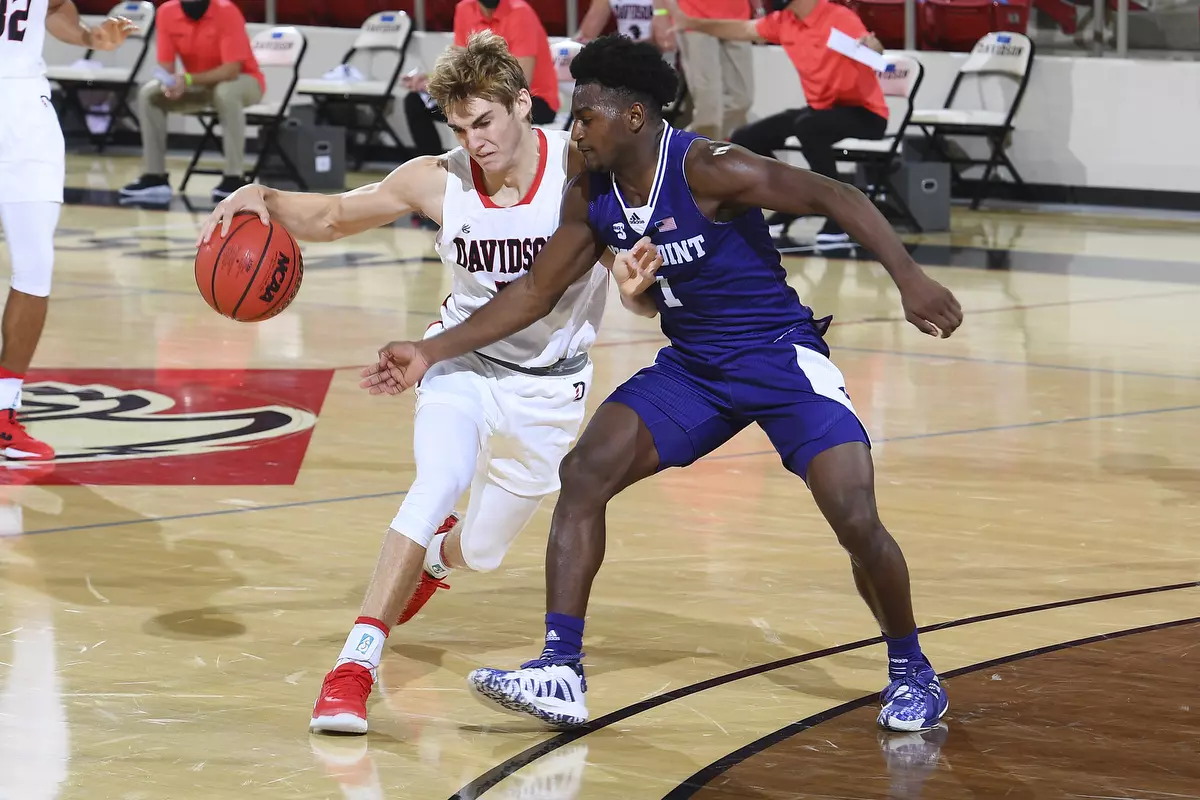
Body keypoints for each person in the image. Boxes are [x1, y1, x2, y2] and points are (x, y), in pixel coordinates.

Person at [359, 35, 964, 733]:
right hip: (695, 370)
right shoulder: (590, 193)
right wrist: (429, 351)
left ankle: (912, 669)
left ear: (635, 118)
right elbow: (532, 294)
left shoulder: (711, 167)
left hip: (775, 358)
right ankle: (560, 668)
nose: (574, 130)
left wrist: (909, 278)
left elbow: (840, 196)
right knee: (584, 474)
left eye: (586, 117)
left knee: (854, 515)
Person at [198, 31, 660, 736]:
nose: (474, 141)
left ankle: (435, 561)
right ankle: (353, 667)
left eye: (485, 122)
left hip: (551, 388)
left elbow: (632, 279)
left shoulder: (580, 162)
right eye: (459, 126)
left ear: (521, 107)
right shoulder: (434, 178)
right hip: (460, 364)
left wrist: (635, 290)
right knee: (436, 483)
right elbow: (333, 214)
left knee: (481, 550)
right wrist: (261, 194)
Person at [0, 1, 136, 461]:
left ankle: (3, 414)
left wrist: (86, 37)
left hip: (26, 108)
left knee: (35, 265)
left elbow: (52, 7)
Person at [671, 0, 888, 246]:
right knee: (747, 137)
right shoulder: (784, 22)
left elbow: (874, 50)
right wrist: (692, 23)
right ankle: (790, 200)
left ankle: (840, 213)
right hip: (819, 111)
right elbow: (741, 30)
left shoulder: (838, 16)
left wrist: (873, 46)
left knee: (808, 126)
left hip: (865, 113)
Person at [119, 0, 265, 203]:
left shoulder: (226, 11)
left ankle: (234, 177)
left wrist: (187, 80)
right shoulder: (166, 12)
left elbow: (231, 70)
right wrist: (168, 84)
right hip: (198, 83)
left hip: (244, 81)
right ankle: (155, 177)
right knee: (149, 94)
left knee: (225, 92)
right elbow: (166, 66)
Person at [402, 0, 560, 159]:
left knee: (488, 109)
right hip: (478, 94)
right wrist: (433, 82)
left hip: (531, 99)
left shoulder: (521, 12)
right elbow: (458, 64)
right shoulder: (464, 9)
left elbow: (519, 80)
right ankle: (438, 171)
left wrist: (472, 89)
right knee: (416, 101)